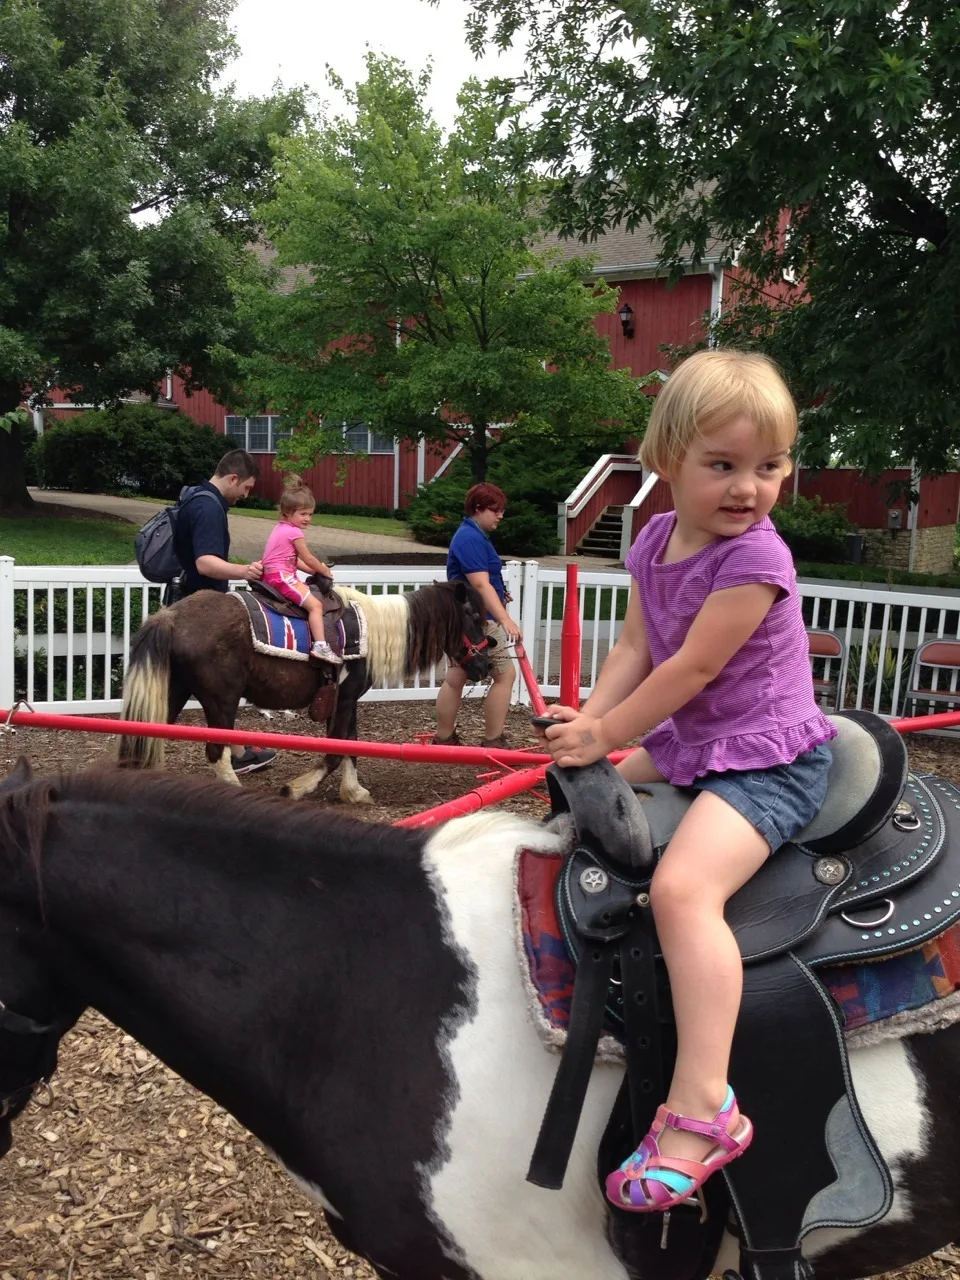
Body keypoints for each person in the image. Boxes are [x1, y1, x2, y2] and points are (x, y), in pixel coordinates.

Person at [538, 350, 835, 1214]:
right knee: (580, 801)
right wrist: (583, 731)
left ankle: (706, 1104)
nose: (750, 488)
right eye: (724, 465)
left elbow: (694, 669)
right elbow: (635, 651)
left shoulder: (756, 561)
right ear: (666, 458)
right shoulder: (659, 538)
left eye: (769, 467)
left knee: (681, 891)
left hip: (767, 759)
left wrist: (607, 733)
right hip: (694, 740)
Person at [172, 447, 276, 775]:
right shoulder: (209, 507)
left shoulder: (194, 497)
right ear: (233, 478)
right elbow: (206, 562)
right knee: (213, 685)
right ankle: (138, 754)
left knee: (205, 688)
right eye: (245, 488)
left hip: (186, 607)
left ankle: (237, 750)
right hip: (202, 612)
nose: (244, 496)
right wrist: (244, 571)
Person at [434, 483, 522, 748]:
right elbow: (480, 585)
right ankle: (493, 740)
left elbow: (483, 583)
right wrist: (505, 619)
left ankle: (444, 738)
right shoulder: (470, 538)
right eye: (496, 510)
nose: (500, 516)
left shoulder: (473, 535)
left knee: (456, 677)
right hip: (476, 620)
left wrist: (500, 594)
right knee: (505, 675)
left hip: (463, 617)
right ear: (478, 509)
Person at [262, 476, 340, 664]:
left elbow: (295, 561)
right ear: (288, 513)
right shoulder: (294, 532)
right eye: (303, 514)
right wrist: (323, 569)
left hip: (273, 574)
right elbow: (308, 558)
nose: (308, 519)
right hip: (282, 577)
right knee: (316, 606)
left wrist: (315, 572)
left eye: (310, 514)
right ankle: (321, 645)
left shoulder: (281, 528)